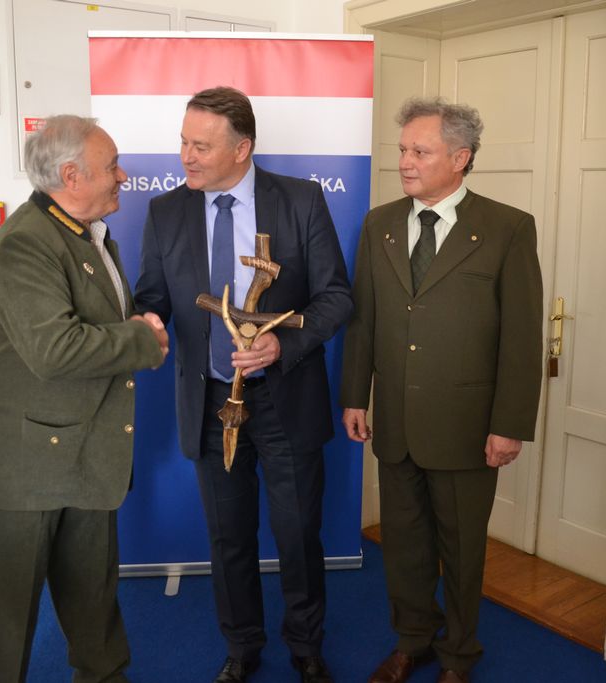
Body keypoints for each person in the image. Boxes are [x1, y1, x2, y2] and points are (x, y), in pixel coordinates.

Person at [134, 86, 351, 683]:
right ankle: (241, 646)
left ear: (242, 148)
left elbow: (335, 297)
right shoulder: (165, 212)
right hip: (210, 402)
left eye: (201, 146)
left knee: (297, 532)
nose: (186, 156)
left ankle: (306, 646)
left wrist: (284, 345)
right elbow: (151, 298)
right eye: (183, 142)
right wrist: (144, 322)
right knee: (228, 536)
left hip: (287, 398)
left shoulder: (301, 201)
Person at [0, 115, 169, 682]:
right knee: (6, 611)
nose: (123, 175)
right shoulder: (25, 240)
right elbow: (54, 350)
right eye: (112, 166)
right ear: (72, 176)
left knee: (93, 595)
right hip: (23, 462)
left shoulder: (88, 232)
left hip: (89, 448)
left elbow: (97, 323)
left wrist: (133, 326)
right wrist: (142, 340)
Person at [340, 97, 544, 683]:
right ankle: (413, 641)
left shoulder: (507, 228)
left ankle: (458, 655)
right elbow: (364, 319)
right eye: (403, 149)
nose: (405, 162)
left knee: (461, 551)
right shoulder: (379, 224)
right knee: (403, 545)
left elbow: (521, 337)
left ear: (460, 158)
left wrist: (509, 425)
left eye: (420, 151)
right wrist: (355, 396)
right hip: (396, 421)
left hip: (466, 427)